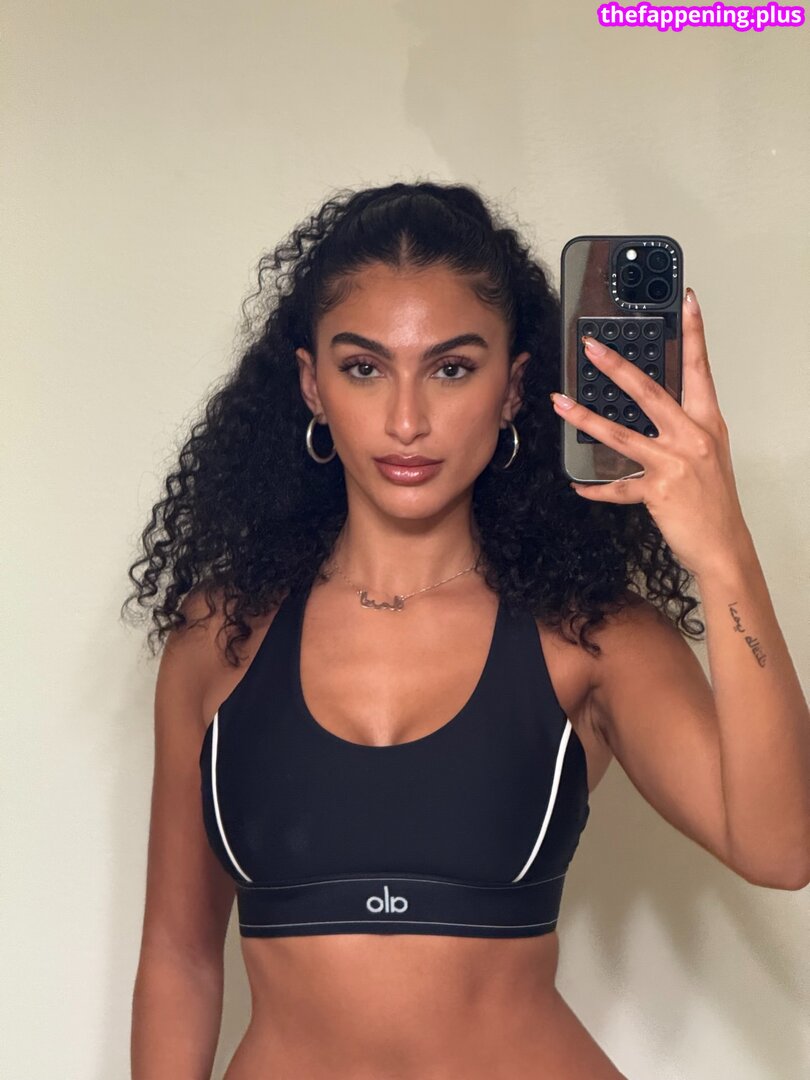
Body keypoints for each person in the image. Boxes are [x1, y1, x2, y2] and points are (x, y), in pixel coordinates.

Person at [125, 181, 810, 1079]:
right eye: (364, 368)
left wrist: (723, 551)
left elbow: (781, 848)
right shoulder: (222, 639)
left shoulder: (588, 636)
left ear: (514, 388)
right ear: (312, 385)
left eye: (451, 369)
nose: (407, 420)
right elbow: (179, 958)